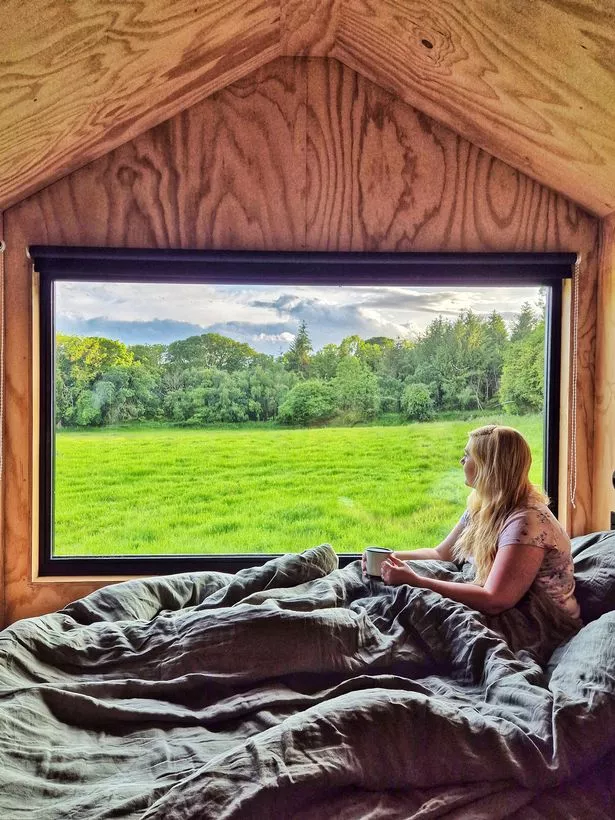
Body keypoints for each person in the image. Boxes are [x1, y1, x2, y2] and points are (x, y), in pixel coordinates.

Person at [363, 424, 580, 620]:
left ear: (488, 466)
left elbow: (495, 600)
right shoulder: (482, 505)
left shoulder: (525, 521)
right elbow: (441, 554)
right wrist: (389, 558)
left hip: (533, 620)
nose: (462, 461)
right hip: (496, 603)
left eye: (468, 455)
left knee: (408, 610)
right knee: (379, 588)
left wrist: (416, 581)